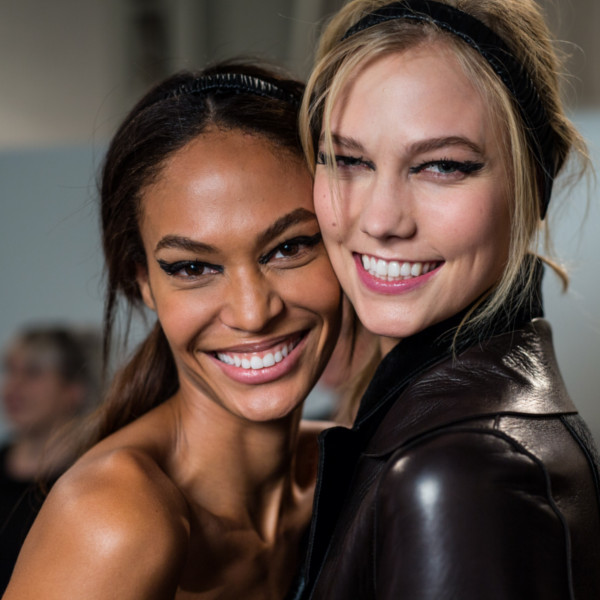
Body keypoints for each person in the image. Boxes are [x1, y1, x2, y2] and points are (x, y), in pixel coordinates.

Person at [3, 61, 344, 600]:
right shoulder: (113, 519)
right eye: (193, 267)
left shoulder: (350, 471)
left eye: (289, 247)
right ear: (143, 281)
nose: (253, 313)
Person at [295, 1, 600, 598]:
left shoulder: (456, 476)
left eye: (442, 166)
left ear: (536, 182)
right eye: (349, 160)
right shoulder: (469, 427)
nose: (381, 220)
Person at [0, 324, 101, 593]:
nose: (13, 386)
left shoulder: (90, 483)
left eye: (33, 373)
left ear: (73, 390)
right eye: (10, 370)